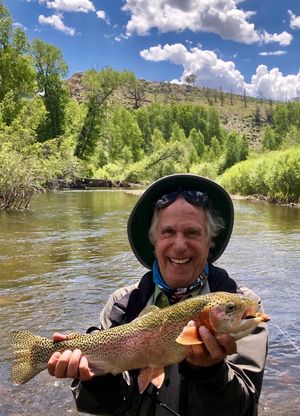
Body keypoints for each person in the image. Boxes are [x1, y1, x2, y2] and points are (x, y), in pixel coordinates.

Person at [48, 173, 268, 416]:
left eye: (193, 233)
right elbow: (102, 407)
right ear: (154, 241)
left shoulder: (243, 305)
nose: (180, 245)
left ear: (210, 242)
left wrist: (211, 374)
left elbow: (245, 410)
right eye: (168, 232)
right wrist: (95, 378)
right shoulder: (124, 304)